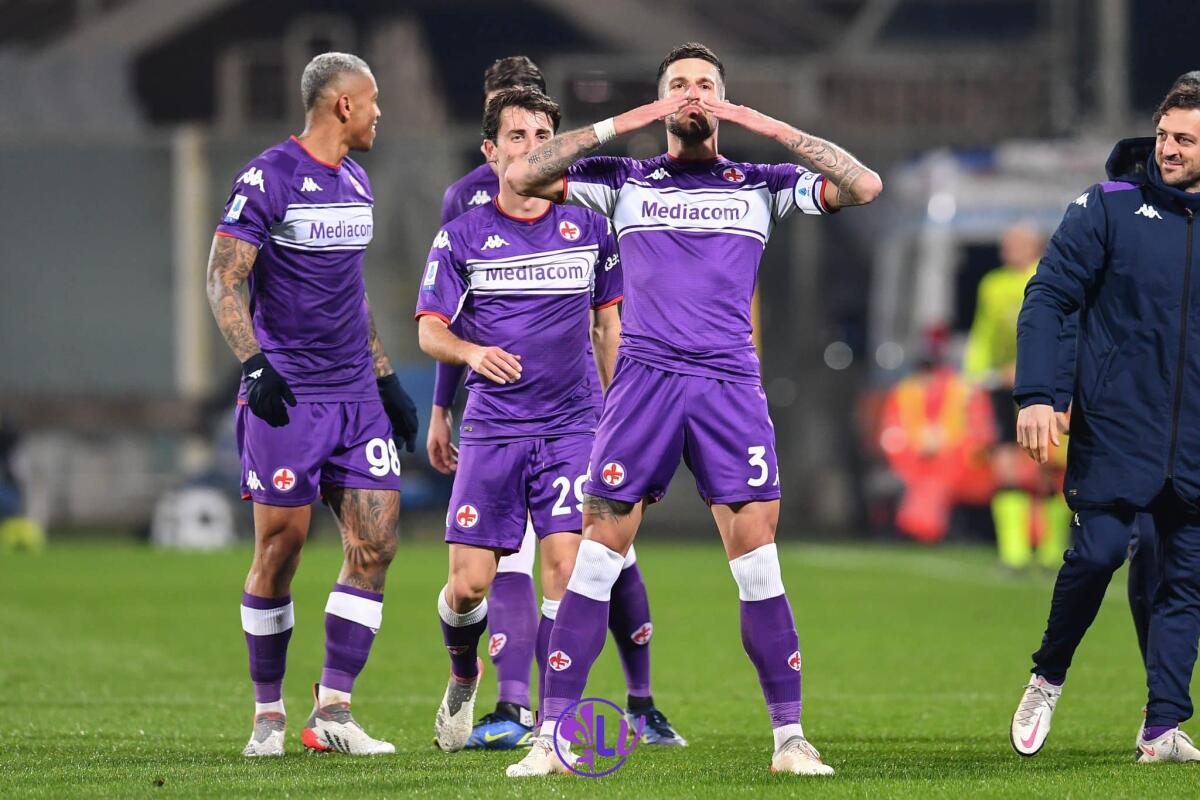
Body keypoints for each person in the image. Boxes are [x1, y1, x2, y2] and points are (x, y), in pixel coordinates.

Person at [503, 42, 882, 777]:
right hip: (643, 381)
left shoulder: (761, 183)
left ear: (725, 98)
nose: (692, 95)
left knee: (758, 563)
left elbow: (863, 184)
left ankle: (789, 739)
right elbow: (523, 174)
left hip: (728, 384)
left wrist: (759, 121)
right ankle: (551, 738)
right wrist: (635, 117)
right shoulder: (625, 179)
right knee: (594, 560)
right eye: (678, 86)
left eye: (706, 85)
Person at [431, 57, 684, 750]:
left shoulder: (587, 220)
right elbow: (441, 323)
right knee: (473, 584)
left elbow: (611, 326)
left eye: (541, 130)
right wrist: (448, 395)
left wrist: (621, 417)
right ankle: (475, 679)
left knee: (576, 566)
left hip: (574, 424)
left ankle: (560, 719)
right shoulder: (463, 219)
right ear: (489, 144)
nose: (529, 144)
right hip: (494, 427)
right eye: (514, 132)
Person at [206, 52, 418, 758]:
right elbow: (222, 278)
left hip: (355, 393)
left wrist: (385, 377)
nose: (382, 112)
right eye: (374, 100)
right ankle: (267, 713)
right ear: (343, 107)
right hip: (289, 395)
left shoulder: (357, 182)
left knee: (377, 542)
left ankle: (334, 709)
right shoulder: (268, 177)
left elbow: (348, 292)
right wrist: (255, 364)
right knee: (281, 547)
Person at [1012, 73, 1200, 763]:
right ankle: (1049, 674)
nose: (1169, 149)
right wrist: (1038, 392)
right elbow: (1050, 298)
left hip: (1196, 442)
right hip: (1117, 427)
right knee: (1097, 555)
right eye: (1164, 135)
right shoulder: (1108, 207)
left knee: (1183, 584)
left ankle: (1163, 727)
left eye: (1185, 139)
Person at [965, 223, 1070, 571]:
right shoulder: (993, 285)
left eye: (1017, 242)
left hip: (1045, 384)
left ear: (1036, 246)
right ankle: (1014, 553)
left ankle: (1051, 551)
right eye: (1006, 242)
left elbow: (1059, 329)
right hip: (1001, 384)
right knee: (1006, 462)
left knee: (1048, 466)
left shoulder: (1051, 278)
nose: (1008, 248)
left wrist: (1032, 369)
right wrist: (976, 373)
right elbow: (985, 333)